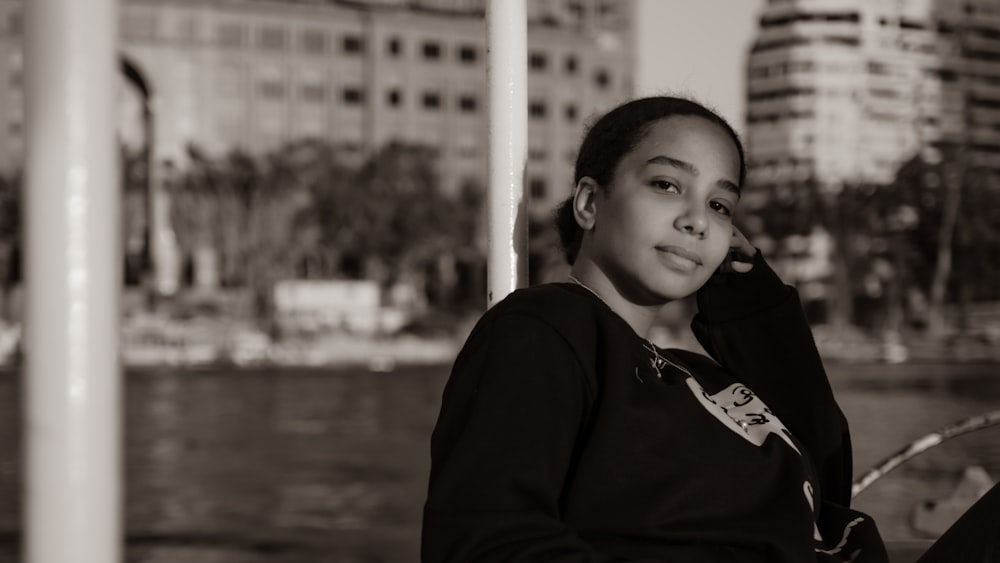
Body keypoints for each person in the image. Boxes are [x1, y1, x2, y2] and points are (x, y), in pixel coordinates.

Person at [420, 96, 998, 562]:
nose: (698, 219)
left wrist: (752, 301)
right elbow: (487, 539)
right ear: (590, 201)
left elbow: (826, 489)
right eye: (667, 185)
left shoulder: (699, 375)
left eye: (721, 205)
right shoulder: (545, 330)